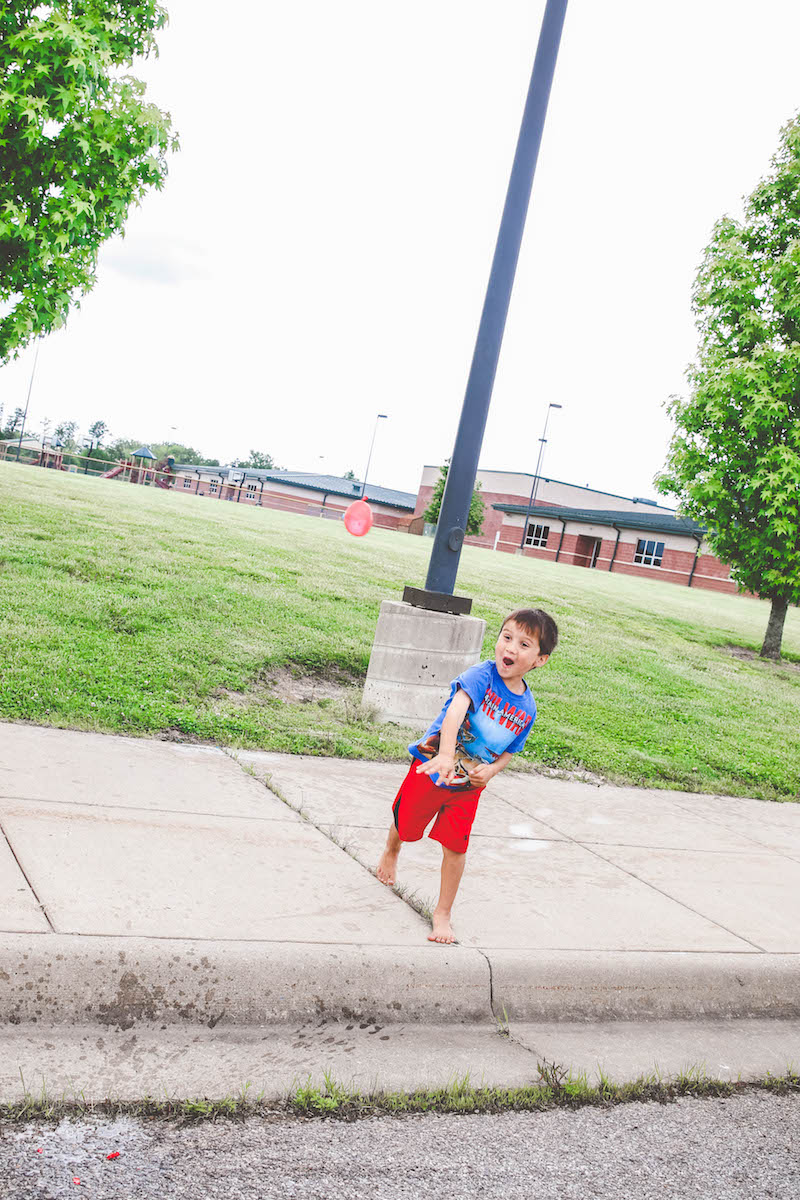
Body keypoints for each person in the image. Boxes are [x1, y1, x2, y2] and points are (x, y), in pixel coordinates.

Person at [376, 607, 558, 945]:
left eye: (523, 644)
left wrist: (490, 771)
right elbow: (456, 711)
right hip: (432, 768)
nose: (510, 649)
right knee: (407, 824)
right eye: (506, 638)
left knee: (456, 847)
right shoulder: (481, 676)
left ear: (540, 659)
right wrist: (445, 754)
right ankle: (392, 848)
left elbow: (509, 750)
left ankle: (442, 913)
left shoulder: (528, 708)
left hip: (467, 786)